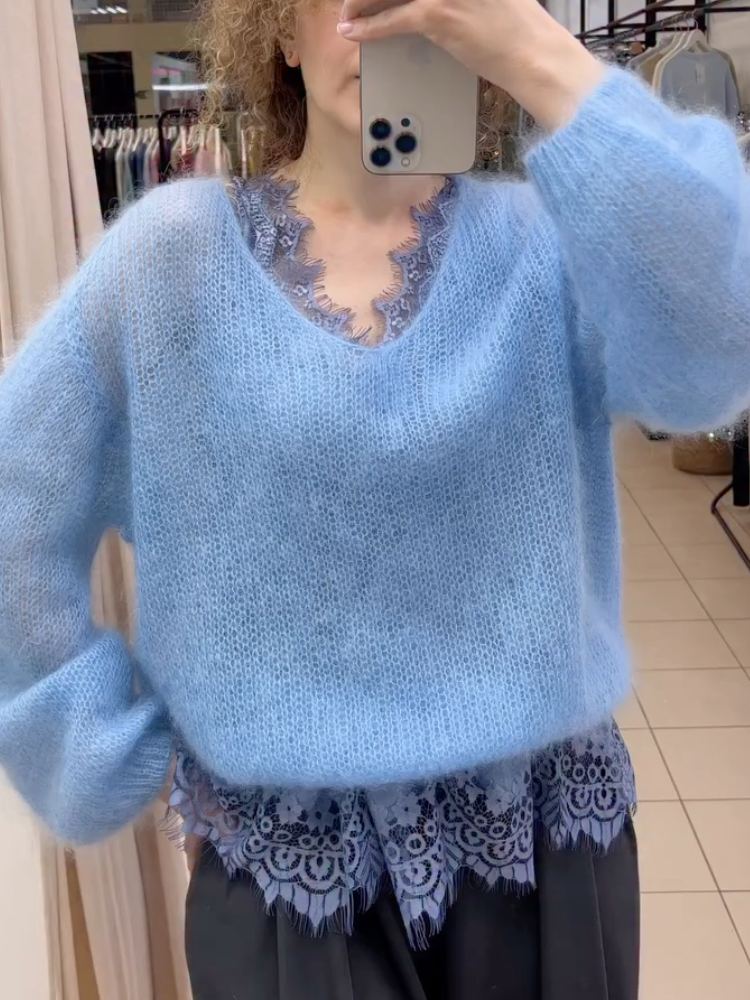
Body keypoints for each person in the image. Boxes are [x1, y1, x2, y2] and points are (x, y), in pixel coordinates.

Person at [1, 0, 749, 996]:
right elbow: (15, 489)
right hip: (286, 873)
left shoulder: (549, 249)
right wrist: (86, 739)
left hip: (543, 841)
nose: (390, 23)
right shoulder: (169, 262)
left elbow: (715, 357)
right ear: (279, 27)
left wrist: (535, 51)